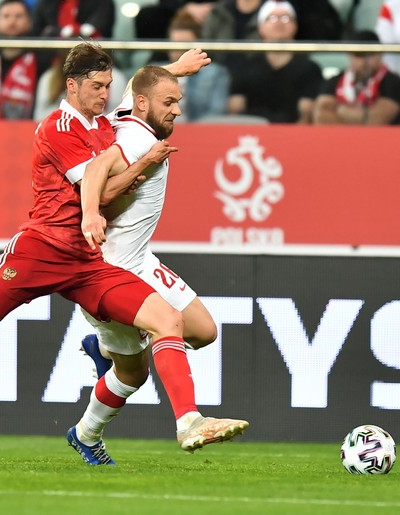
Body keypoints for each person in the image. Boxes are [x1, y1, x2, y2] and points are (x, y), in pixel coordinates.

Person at [0, 42, 247, 465]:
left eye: (108, 85)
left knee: (169, 321)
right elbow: (100, 187)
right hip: (42, 249)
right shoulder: (57, 128)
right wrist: (139, 167)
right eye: (96, 86)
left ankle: (187, 422)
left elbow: (139, 87)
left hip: (87, 262)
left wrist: (176, 68)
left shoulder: (107, 120)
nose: (105, 94)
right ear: (72, 85)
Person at [71, 65, 248, 465]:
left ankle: (104, 350)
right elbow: (96, 170)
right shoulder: (136, 139)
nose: (177, 111)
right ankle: (184, 422)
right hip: (110, 272)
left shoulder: (127, 112)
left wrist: (176, 69)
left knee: (204, 331)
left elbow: (140, 79)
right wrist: (90, 213)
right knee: (140, 365)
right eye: (169, 102)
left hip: (140, 260)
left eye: (178, 102)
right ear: (143, 104)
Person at [227, 0, 323, 123]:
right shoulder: (245, 67)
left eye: (285, 18)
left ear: (295, 26)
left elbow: (306, 115)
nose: (279, 23)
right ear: (261, 27)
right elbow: (235, 110)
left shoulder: (310, 68)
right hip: (254, 131)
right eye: (272, 18)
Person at [148, 9, 230, 122]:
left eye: (184, 44)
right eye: (174, 44)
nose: (179, 49)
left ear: (198, 46)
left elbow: (216, 113)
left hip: (199, 130)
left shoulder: (215, 73)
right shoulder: (154, 72)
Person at [313, 30, 400, 125]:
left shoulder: (392, 81)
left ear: (380, 54)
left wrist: (341, 110)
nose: (365, 61)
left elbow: (376, 120)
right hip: (339, 135)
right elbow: (321, 117)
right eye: (359, 54)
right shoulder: (334, 80)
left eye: (370, 54)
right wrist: (360, 118)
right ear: (349, 55)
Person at [31, 0, 114, 39]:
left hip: (94, 59)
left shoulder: (101, 2)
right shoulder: (45, 3)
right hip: (54, 60)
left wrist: (77, 31)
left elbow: (100, 25)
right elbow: (36, 32)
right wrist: (62, 31)